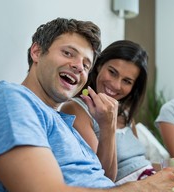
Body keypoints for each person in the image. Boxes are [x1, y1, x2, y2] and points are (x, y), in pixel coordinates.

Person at [0, 18, 174, 192]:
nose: (78, 66)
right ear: (36, 52)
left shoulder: (64, 124)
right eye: (68, 53)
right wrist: (146, 188)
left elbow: (104, 179)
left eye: (86, 64)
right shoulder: (9, 100)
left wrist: (107, 128)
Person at [60, 40, 156, 184]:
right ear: (98, 65)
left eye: (127, 81)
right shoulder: (75, 109)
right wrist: (107, 124)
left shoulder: (125, 112)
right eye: (112, 72)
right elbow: (101, 177)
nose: (116, 85)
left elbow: (140, 162)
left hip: (149, 180)